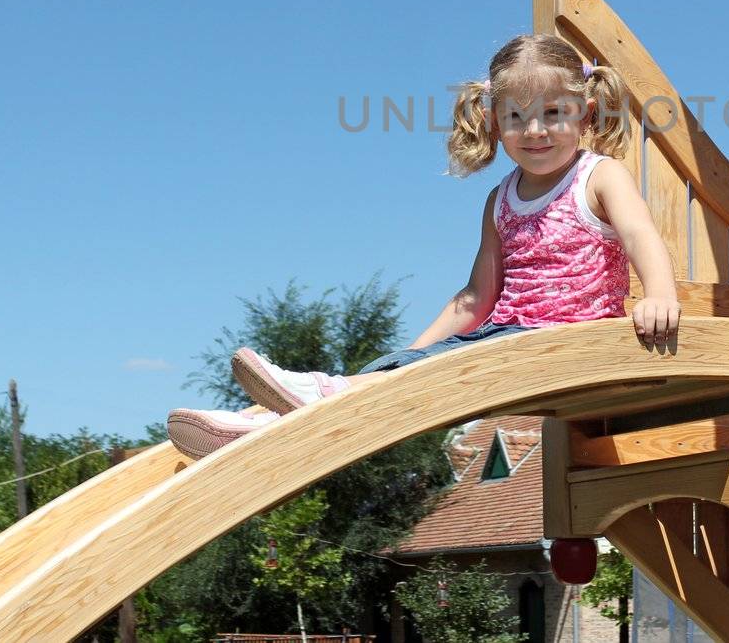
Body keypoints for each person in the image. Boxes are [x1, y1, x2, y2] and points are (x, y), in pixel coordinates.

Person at [166, 33, 683, 458]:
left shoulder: (600, 176)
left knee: (405, 374)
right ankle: (254, 422)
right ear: (494, 122)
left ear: (586, 113)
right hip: (504, 339)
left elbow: (640, 236)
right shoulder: (500, 199)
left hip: (566, 343)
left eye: (553, 113)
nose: (536, 130)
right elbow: (475, 298)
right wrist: (411, 355)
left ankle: (307, 399)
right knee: (394, 367)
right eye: (516, 118)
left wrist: (660, 294)